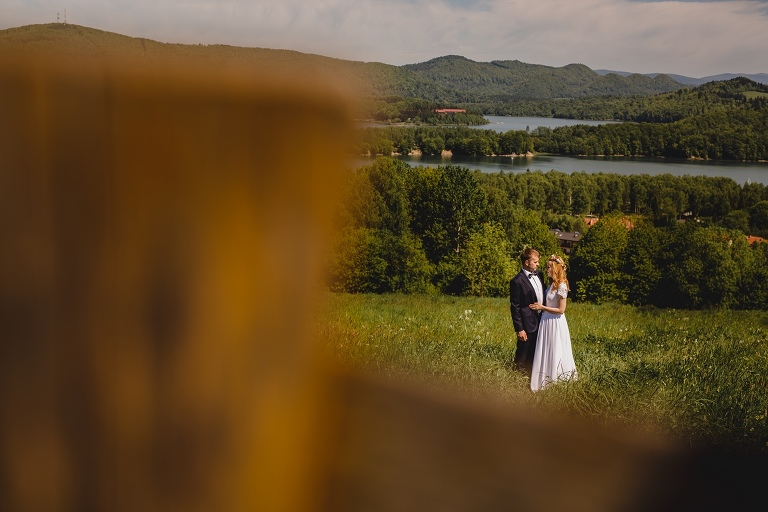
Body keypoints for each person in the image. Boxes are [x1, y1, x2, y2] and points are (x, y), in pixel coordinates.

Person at [528, 255, 578, 392]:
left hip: (555, 322)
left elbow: (561, 310)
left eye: (549, 266)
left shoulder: (562, 285)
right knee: (546, 349)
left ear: (556, 268)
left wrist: (542, 307)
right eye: (547, 266)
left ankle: (556, 381)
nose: (547, 269)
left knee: (556, 350)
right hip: (546, 322)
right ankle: (543, 379)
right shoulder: (551, 284)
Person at [509, 247, 545, 378]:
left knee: (536, 350)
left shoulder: (539, 274)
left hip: (542, 319)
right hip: (527, 322)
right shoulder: (517, 281)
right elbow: (515, 306)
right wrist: (520, 329)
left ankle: (532, 374)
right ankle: (516, 376)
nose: (538, 264)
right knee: (524, 351)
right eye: (535, 262)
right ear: (526, 262)